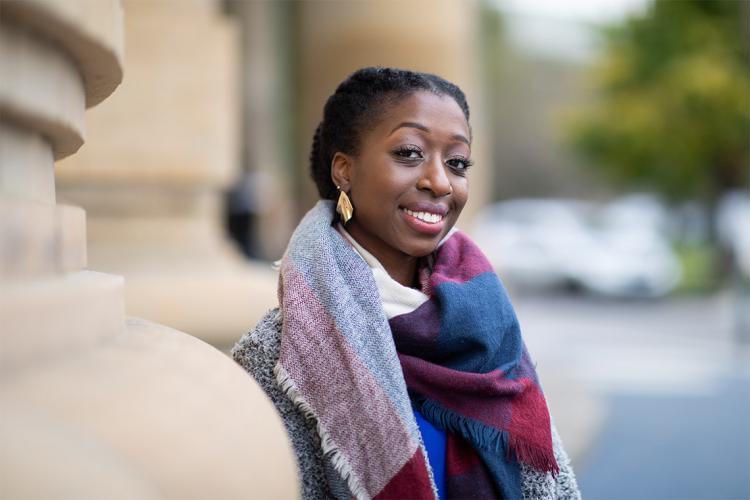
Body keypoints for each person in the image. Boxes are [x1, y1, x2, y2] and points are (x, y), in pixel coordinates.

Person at [232, 67, 581, 500]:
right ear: (344, 170)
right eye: (409, 153)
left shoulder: (486, 319)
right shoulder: (279, 354)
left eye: (457, 162)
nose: (439, 181)